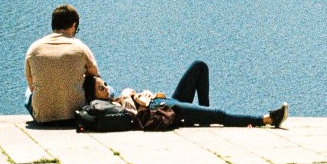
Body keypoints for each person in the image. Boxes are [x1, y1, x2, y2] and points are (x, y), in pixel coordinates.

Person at [85, 61, 287, 129]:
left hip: (165, 101)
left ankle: (203, 114)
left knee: (199, 66)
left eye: (104, 84)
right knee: (220, 114)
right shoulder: (106, 107)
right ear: (95, 96)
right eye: (101, 88)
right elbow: (132, 118)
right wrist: (137, 100)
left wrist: (144, 94)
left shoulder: (115, 98)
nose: (106, 87)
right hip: (169, 110)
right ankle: (267, 119)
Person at [25, 5, 99, 124]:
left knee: (28, 91)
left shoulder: (34, 49)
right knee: (108, 90)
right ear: (74, 25)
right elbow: (96, 79)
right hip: (76, 115)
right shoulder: (80, 48)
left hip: (42, 117)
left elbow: (32, 86)